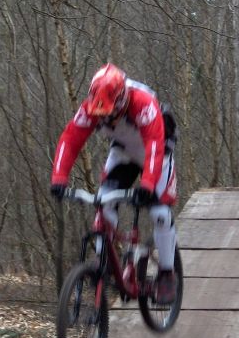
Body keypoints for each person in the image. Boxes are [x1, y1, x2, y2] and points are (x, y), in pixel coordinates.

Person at [50, 62, 178, 305]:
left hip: (158, 155)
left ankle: (166, 274)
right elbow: (71, 138)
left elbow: (154, 145)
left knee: (160, 212)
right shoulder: (91, 107)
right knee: (103, 202)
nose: (105, 118)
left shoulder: (142, 102)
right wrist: (59, 178)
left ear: (120, 101)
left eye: (109, 113)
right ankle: (103, 261)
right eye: (101, 115)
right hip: (124, 154)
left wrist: (148, 185)